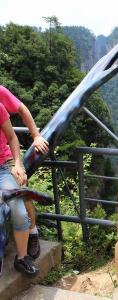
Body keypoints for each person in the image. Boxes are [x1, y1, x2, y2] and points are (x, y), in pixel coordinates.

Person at [0, 85, 49, 276]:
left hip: (5, 164)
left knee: (21, 197)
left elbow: (20, 113)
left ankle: (27, 245)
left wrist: (35, 136)